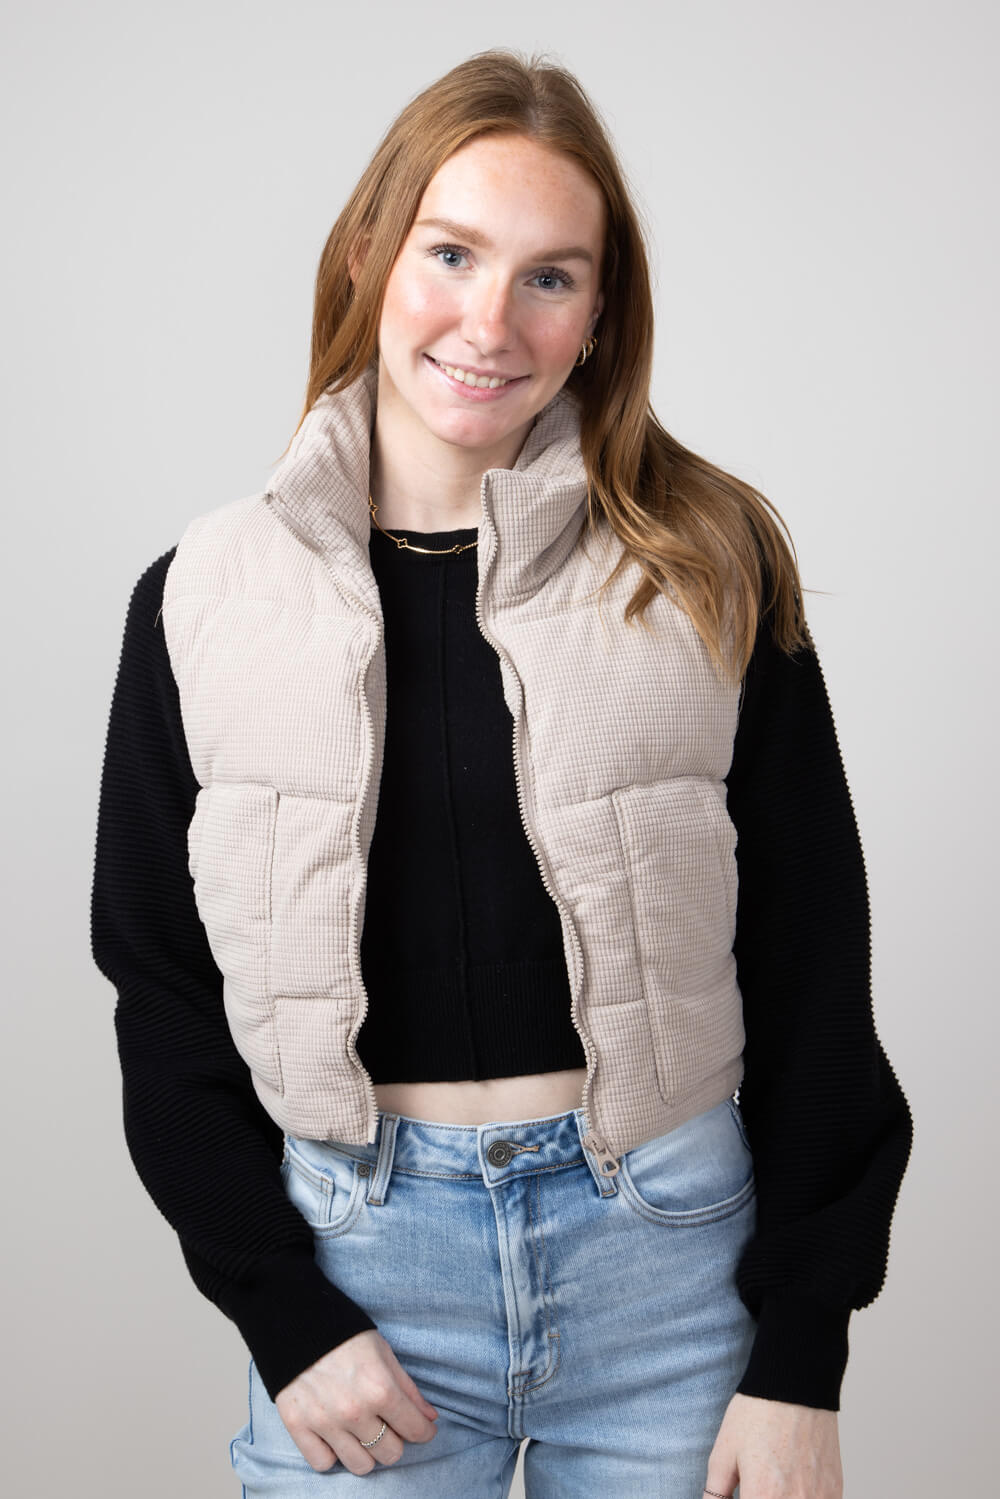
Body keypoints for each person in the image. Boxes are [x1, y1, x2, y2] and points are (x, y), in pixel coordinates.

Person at [90, 47, 912, 1499]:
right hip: (355, 1275)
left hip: (672, 1275)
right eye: (452, 253)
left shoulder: (706, 567)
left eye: (550, 277)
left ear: (598, 316)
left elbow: (812, 961)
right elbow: (159, 988)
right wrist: (281, 1312)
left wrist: (801, 1353)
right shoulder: (200, 598)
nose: (491, 321)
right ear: (368, 257)